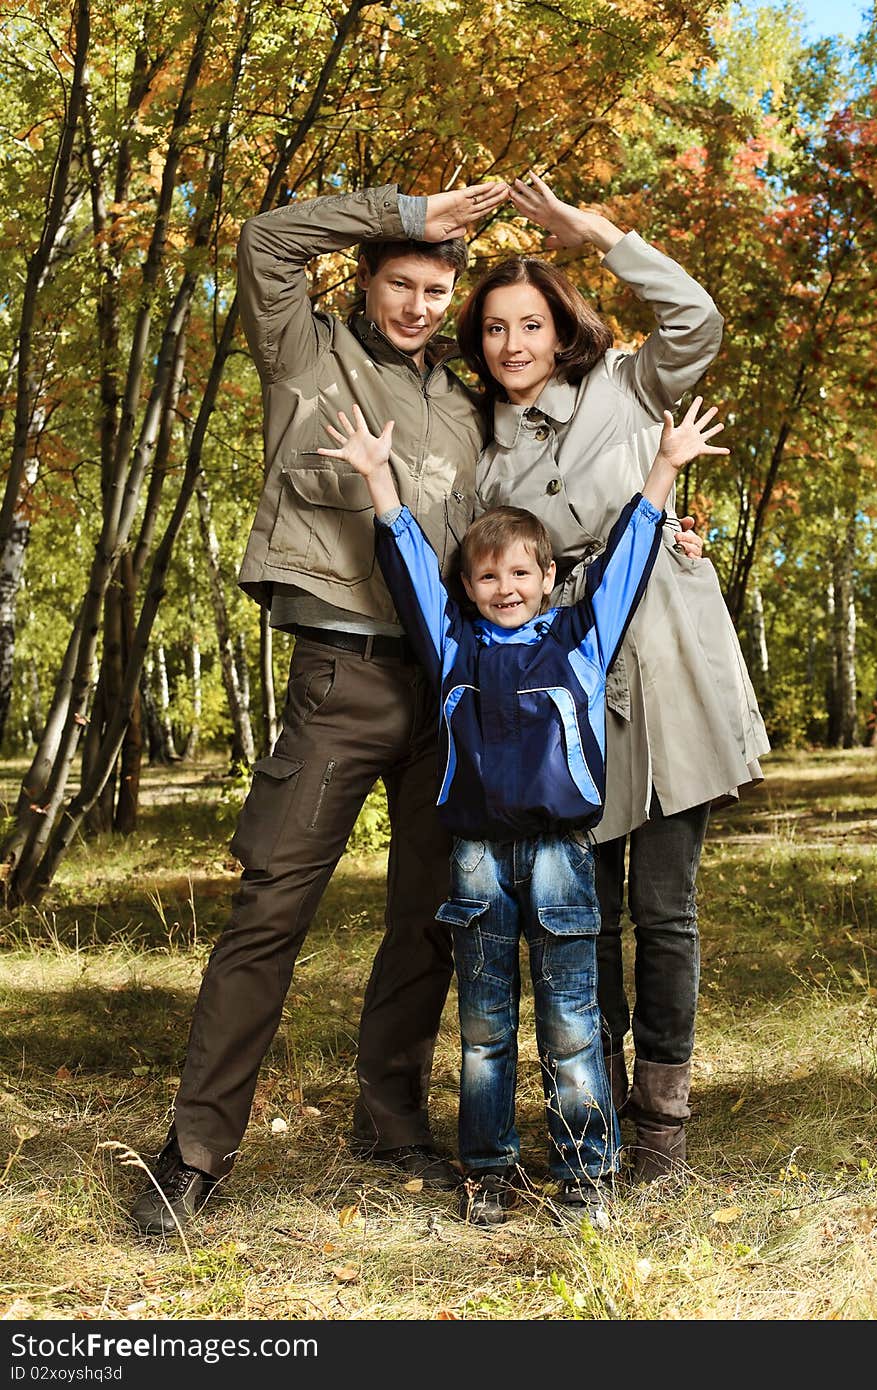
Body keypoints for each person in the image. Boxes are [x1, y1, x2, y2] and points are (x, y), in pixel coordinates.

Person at [130, 177, 511, 1236]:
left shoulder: (470, 401)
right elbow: (263, 237)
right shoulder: (308, 352)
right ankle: (195, 1153)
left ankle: (391, 1123)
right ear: (370, 280)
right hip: (339, 677)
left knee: (431, 917)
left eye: (438, 289)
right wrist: (406, 209)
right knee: (270, 913)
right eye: (404, 282)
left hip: (449, 691)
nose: (421, 303)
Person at [315, 395, 729, 1227]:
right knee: (486, 1029)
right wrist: (377, 480)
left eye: (520, 573)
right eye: (486, 575)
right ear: (467, 589)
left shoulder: (580, 638)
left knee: (573, 1022)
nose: (505, 587)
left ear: (547, 579)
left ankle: (585, 1173)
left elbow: (628, 558)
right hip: (476, 860)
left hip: (562, 857)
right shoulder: (454, 647)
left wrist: (666, 465)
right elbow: (405, 566)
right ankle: (490, 1174)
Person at [457, 170, 770, 1182]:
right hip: (566, 698)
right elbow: (487, 586)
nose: (513, 344)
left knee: (667, 906)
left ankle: (664, 1125)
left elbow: (699, 317)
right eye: (496, 327)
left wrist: (591, 232)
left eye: (530, 323)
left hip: (667, 661)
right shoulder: (482, 460)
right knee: (580, 911)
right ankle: (595, 1114)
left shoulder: (628, 385)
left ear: (562, 328)